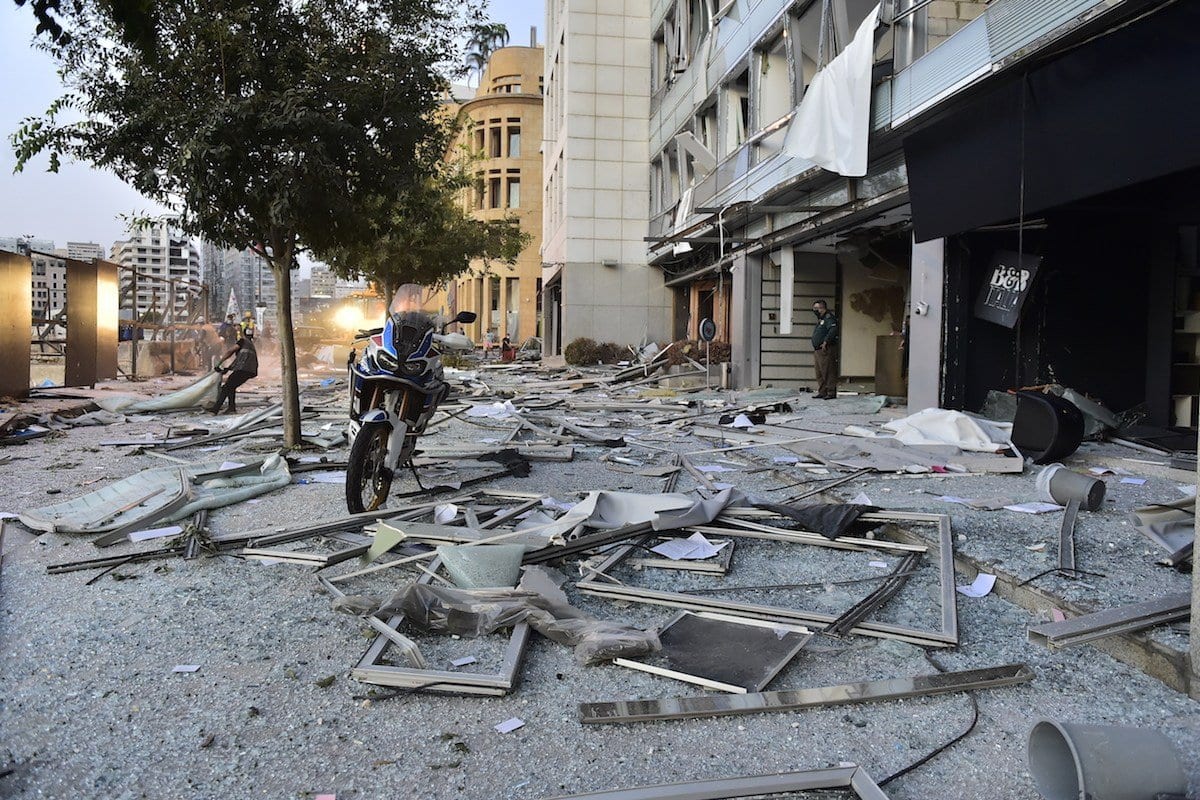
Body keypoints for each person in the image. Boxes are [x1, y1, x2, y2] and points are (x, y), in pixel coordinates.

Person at [208, 328, 258, 414]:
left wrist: (219, 363)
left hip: (243, 369)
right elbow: (241, 360)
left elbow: (230, 351)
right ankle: (231, 408)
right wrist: (228, 368)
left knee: (226, 387)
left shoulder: (242, 341)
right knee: (231, 386)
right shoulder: (251, 345)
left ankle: (215, 409)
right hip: (250, 371)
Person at [810, 299, 839, 400]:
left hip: (825, 349)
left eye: (816, 309)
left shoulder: (829, 318)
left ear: (822, 308)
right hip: (817, 350)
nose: (814, 311)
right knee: (819, 372)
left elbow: (833, 329)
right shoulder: (821, 319)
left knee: (828, 370)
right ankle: (822, 391)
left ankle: (831, 392)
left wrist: (826, 341)